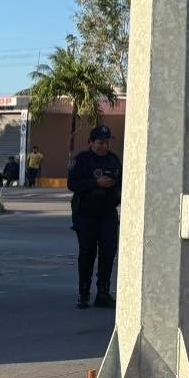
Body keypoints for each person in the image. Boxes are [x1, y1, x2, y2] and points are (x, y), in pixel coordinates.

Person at [67, 126, 122, 309]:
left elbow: (123, 182)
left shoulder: (113, 160)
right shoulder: (82, 160)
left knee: (108, 251)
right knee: (87, 253)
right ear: (91, 142)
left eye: (107, 142)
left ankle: (103, 292)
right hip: (86, 214)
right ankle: (84, 292)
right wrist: (95, 183)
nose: (104, 146)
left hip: (107, 213)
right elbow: (72, 184)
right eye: (100, 142)